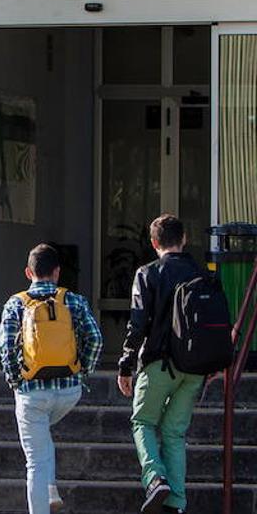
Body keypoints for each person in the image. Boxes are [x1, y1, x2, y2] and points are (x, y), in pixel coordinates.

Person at [0, 243, 103, 514]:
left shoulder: (15, 303)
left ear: (27, 272)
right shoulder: (74, 300)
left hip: (32, 394)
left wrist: (15, 382)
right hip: (69, 392)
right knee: (43, 439)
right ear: (57, 272)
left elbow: (5, 346)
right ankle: (51, 489)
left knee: (35, 460)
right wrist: (83, 372)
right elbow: (95, 339)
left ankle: (43, 501)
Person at [117, 214, 208, 514]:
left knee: (142, 421)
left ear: (154, 243)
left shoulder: (147, 273)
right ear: (184, 240)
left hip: (159, 363)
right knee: (174, 433)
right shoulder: (203, 273)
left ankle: (155, 478)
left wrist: (126, 366)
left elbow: (137, 324)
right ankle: (176, 503)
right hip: (195, 368)